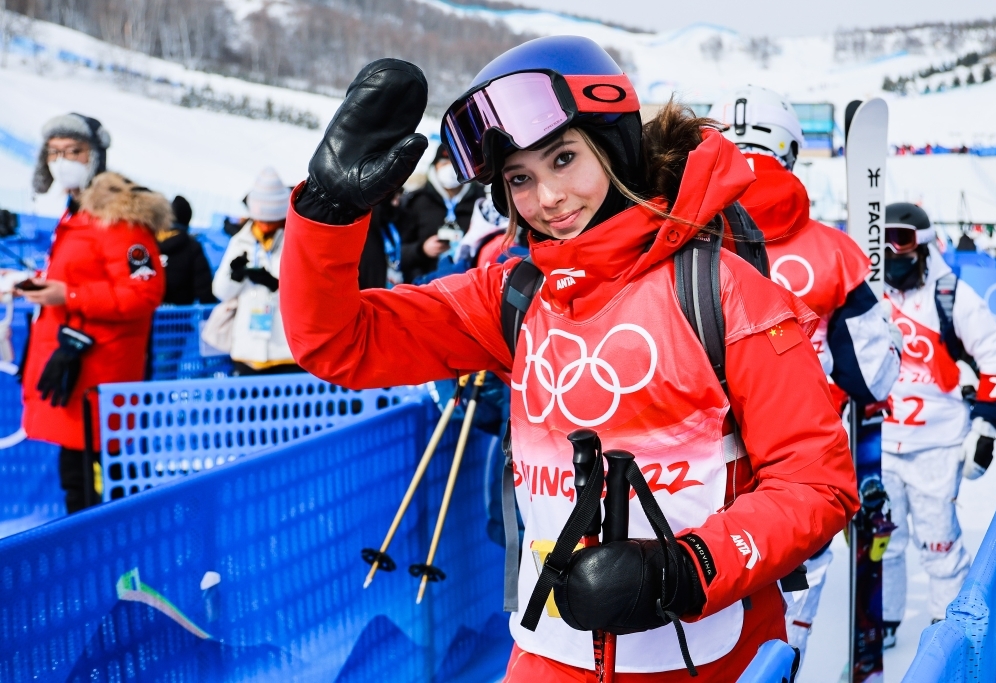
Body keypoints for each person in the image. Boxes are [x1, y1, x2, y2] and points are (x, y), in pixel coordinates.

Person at [280, 38, 859, 680]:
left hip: (712, 655)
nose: (549, 198)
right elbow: (341, 342)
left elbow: (816, 482)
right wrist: (327, 216)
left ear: (612, 148)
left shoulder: (720, 289)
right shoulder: (515, 297)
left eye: (563, 158)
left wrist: (684, 568)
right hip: (552, 655)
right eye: (520, 178)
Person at [713, 86, 902, 669]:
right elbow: (874, 376)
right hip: (799, 472)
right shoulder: (833, 253)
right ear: (790, 150)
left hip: (692, 477)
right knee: (789, 609)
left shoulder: (668, 240)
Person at [881, 202, 996, 646]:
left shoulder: (951, 295)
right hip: (881, 441)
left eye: (900, 244)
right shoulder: (869, 293)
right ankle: (882, 622)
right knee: (886, 543)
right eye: (883, 244)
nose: (890, 254)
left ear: (920, 247)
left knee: (938, 544)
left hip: (936, 441)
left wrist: (985, 430)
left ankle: (949, 634)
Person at [19, 138, 166, 512]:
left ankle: (114, 564)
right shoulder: (75, 217)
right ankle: (92, 562)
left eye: (73, 151)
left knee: (100, 487)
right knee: (76, 480)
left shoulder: (121, 221)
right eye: (53, 152)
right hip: (72, 371)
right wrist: (34, 282)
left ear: (95, 156)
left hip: (100, 377)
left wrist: (67, 296)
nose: (61, 161)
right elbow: (76, 276)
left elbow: (142, 293)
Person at [212, 167, 299, 375]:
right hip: (247, 349)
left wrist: (276, 285)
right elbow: (220, 292)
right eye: (262, 221)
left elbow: (310, 292)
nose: (266, 227)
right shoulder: (240, 240)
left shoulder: (295, 241)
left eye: (271, 221)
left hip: (286, 351)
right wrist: (235, 276)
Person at [398, 146, 484, 282]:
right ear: (435, 166)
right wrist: (422, 250)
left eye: (455, 165)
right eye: (444, 163)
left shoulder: (480, 201)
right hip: (425, 286)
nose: (450, 169)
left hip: (469, 285)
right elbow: (396, 252)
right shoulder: (416, 202)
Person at [156, 195, 216, 305]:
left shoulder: (148, 242)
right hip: (180, 316)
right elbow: (204, 286)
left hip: (147, 312)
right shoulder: (192, 247)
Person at [358, 189, 404, 290]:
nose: (396, 204)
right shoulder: (367, 228)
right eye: (393, 199)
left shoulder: (393, 221)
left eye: (398, 199)